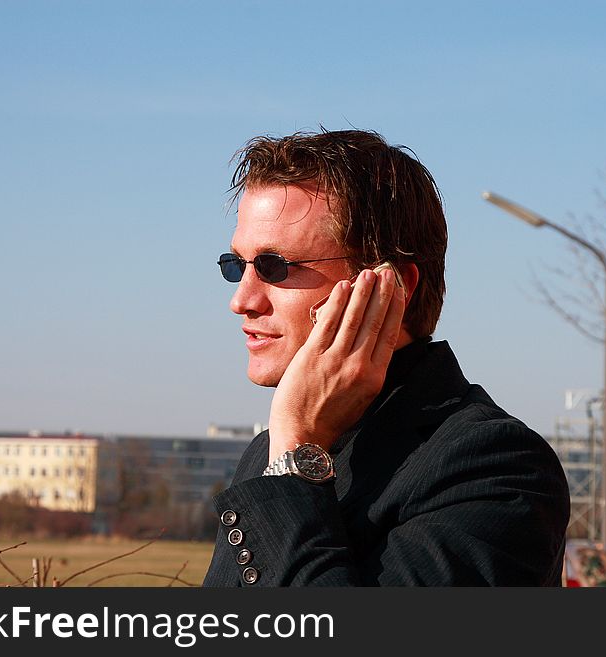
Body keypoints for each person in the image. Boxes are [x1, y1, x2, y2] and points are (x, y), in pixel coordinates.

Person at [203, 129, 570, 586]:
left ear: (388, 287)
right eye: (237, 265)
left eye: (275, 267)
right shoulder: (270, 451)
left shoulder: (495, 466)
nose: (242, 300)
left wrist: (296, 452)